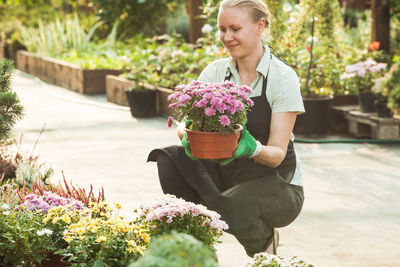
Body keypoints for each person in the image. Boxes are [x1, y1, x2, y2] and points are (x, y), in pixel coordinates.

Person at [148, 0, 305, 257]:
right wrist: (185, 133)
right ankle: (198, 248)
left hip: (278, 185)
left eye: (235, 28)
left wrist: (250, 146)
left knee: (233, 202)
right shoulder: (216, 72)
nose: (227, 37)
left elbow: (277, 155)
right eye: (222, 29)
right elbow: (185, 122)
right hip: (229, 172)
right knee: (170, 159)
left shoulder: (282, 77)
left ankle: (264, 246)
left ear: (260, 26)